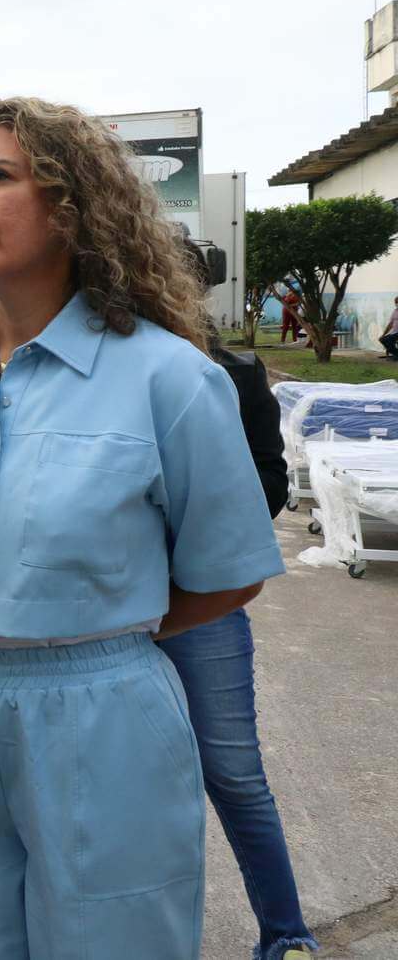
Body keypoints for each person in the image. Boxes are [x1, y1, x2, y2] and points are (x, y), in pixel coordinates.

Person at [0, 96, 286, 959]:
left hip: (104, 711)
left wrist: (85, 628)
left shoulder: (169, 378)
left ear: (71, 206)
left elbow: (230, 569)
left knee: (115, 938)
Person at [158, 324, 319, 960]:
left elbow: (272, 486)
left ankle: (286, 934)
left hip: (203, 601)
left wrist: (207, 493)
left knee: (233, 771)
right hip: (104, 605)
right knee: (122, 777)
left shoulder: (233, 373)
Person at [379, 295, 398, 360]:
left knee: (389, 340)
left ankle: (396, 354)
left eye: (397, 302)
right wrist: (383, 334)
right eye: (396, 302)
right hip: (394, 333)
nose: (396, 304)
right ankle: (396, 353)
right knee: (382, 339)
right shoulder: (395, 311)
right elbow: (390, 325)